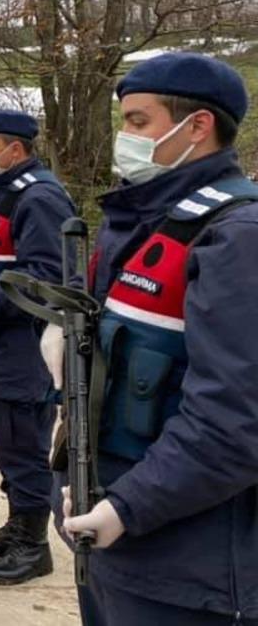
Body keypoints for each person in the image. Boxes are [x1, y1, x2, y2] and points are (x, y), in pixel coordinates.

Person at [57, 53, 258, 624]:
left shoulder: (237, 238)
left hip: (187, 569)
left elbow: (236, 421)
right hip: (115, 543)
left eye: (139, 122)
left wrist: (127, 506)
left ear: (198, 126)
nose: (126, 137)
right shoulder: (144, 218)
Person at [0, 108, 75, 585]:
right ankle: (17, 523)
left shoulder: (40, 198)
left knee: (21, 446)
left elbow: (44, 275)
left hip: (20, 348)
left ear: (16, 150)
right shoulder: (6, 191)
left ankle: (34, 544)